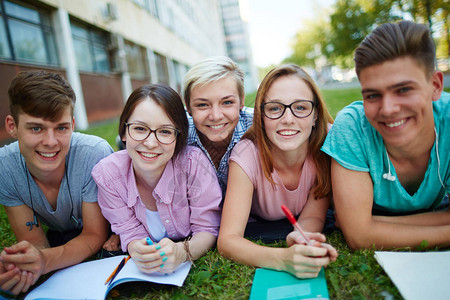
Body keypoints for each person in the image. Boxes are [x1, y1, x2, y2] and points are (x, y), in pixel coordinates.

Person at [321, 21, 450, 250]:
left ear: (435, 85)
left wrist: (371, 224)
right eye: (372, 95)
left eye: (403, 90)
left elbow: (360, 228)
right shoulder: (352, 127)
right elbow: (358, 236)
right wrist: (361, 227)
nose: (388, 109)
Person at [217, 64, 338, 279]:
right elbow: (227, 240)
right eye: (274, 108)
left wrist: (301, 238)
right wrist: (283, 259)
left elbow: (312, 214)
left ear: (316, 115)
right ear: (261, 116)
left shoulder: (328, 145)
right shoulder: (246, 155)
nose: (288, 119)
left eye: (300, 107)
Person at [0, 71, 113, 295]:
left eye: (61, 128)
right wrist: (21, 267)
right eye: (36, 128)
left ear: (72, 124)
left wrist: (44, 260)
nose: (50, 142)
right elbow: (34, 241)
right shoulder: (5, 168)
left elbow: (95, 234)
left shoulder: (93, 154)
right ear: (12, 126)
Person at [91, 84, 222, 274]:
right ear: (124, 132)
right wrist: (137, 249)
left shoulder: (194, 164)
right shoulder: (108, 174)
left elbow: (207, 228)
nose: (151, 143)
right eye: (140, 128)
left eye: (165, 131)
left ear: (179, 137)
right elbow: (129, 231)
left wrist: (183, 252)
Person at [183, 56, 253, 195]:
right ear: (188, 106)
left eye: (227, 102)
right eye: (202, 105)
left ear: (241, 100)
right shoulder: (176, 132)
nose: (216, 116)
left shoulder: (260, 125)